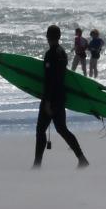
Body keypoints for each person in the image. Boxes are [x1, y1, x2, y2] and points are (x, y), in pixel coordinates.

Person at [34, 25, 89, 169]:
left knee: (41, 130)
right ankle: (82, 158)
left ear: (47, 36)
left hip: (51, 98)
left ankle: (37, 165)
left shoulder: (51, 54)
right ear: (58, 37)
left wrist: (47, 101)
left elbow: (50, 80)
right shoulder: (63, 53)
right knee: (61, 129)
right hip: (60, 96)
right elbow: (60, 78)